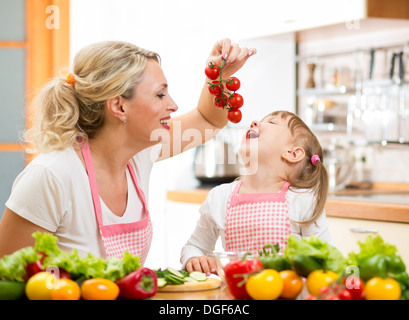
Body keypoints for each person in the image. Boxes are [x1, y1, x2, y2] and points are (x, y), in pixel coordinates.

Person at [0, 39, 256, 265]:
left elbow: (208, 120)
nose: (173, 105)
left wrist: (219, 77)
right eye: (160, 94)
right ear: (119, 106)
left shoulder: (138, 155)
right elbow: (9, 279)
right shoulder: (50, 176)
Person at [181, 110, 333, 275]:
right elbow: (194, 246)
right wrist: (194, 258)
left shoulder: (302, 200)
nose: (255, 122)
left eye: (272, 122)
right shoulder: (220, 197)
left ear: (292, 153)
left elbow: (325, 258)